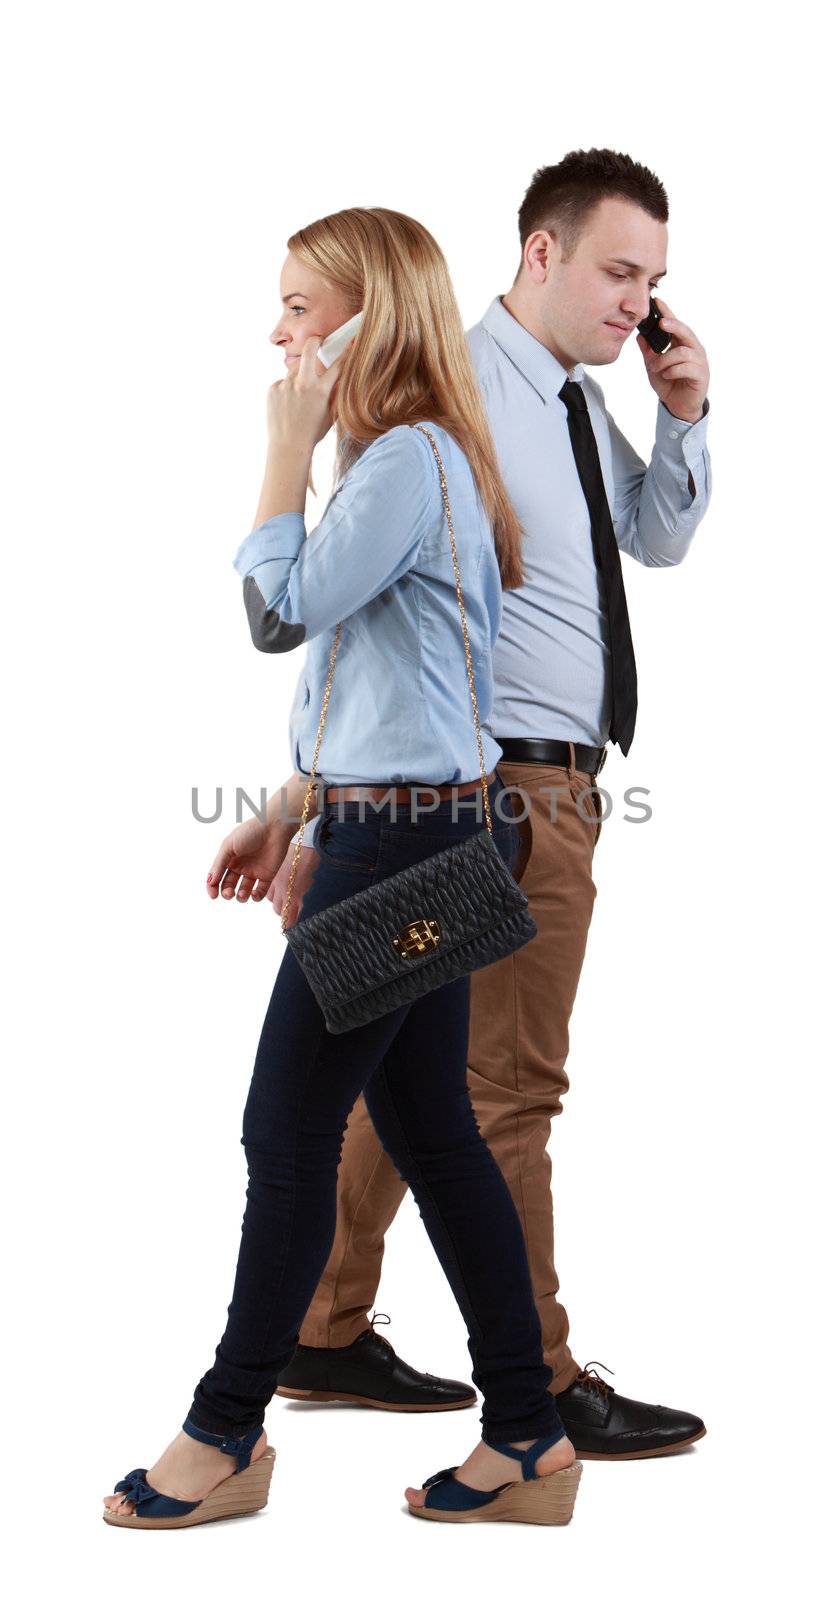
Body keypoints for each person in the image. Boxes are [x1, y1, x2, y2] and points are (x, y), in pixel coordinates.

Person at [215, 150, 713, 1460]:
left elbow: (649, 541)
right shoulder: (463, 407)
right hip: (496, 794)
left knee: (419, 1090)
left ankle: (343, 1340)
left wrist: (682, 415)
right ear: (538, 255)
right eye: (619, 272)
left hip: (500, 795)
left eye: (652, 282)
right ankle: (538, 1393)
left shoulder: (557, 405)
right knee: (494, 1093)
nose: (637, 303)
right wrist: (324, 798)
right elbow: (374, 637)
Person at [102, 206, 584, 1529]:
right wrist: (296, 805)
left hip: (411, 854)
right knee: (433, 1135)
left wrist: (277, 454)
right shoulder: (422, 461)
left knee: (288, 1131)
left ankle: (225, 1431)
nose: (278, 334)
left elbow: (278, 610)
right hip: (404, 832)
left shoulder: (398, 461)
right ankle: (531, 1442)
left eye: (300, 308)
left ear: (369, 317)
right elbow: (402, 686)